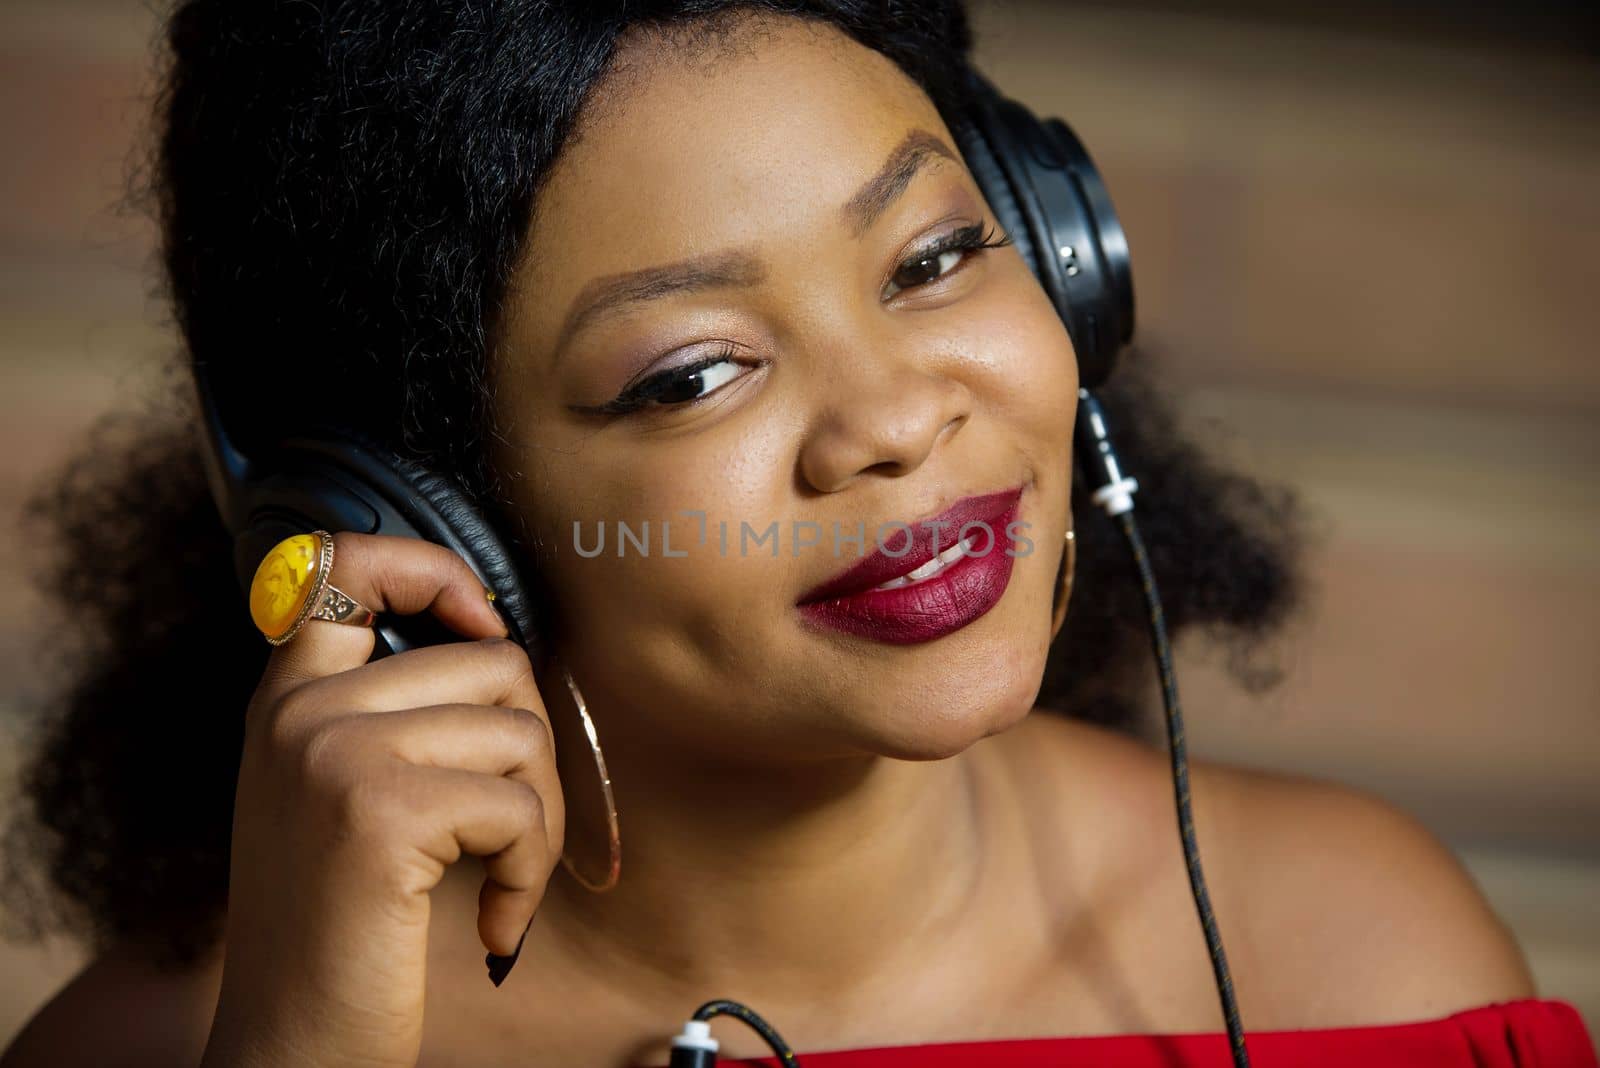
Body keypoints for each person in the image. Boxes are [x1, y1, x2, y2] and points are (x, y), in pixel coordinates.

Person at [2, 2, 1592, 1066]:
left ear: (1060, 257)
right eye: (695, 371)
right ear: (428, 519)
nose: (893, 420)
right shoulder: (193, 1038)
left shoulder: (1365, 958)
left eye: (935, 257)